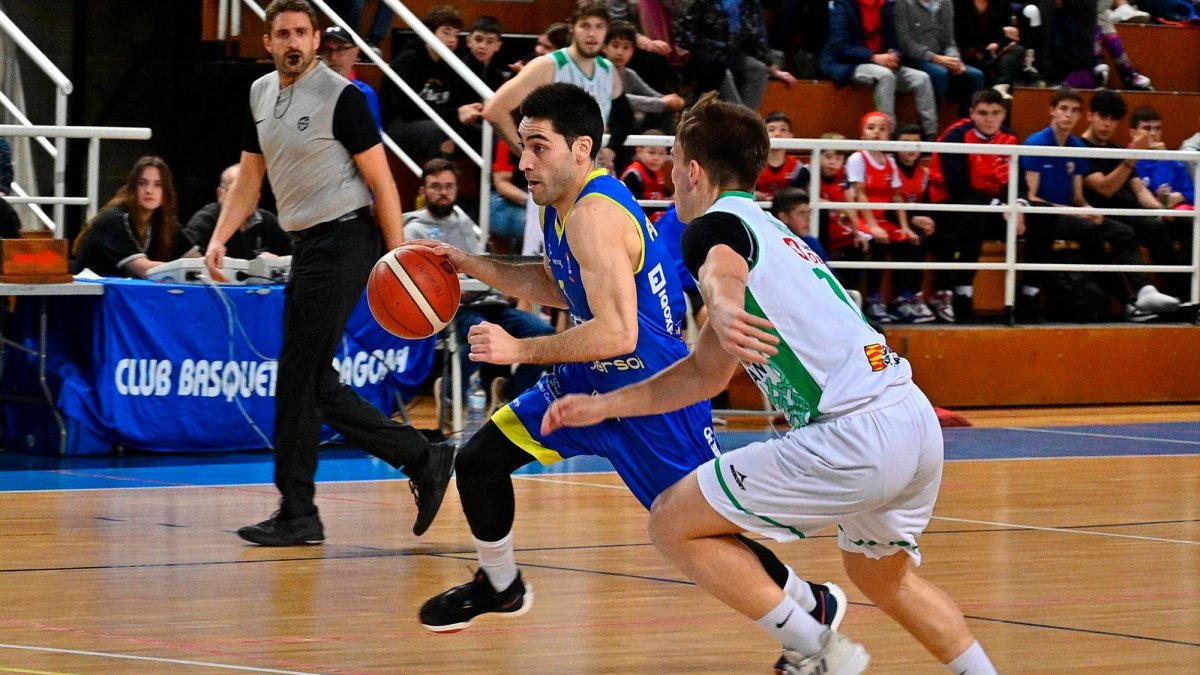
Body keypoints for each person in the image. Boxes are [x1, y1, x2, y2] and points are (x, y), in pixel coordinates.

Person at [542, 91, 999, 675]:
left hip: (853, 435)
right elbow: (702, 375)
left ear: (693, 170)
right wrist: (607, 405)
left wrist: (722, 302)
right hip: (912, 422)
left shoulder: (714, 227)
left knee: (671, 520)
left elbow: (721, 268)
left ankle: (818, 652)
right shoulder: (774, 231)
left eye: (675, 162)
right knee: (883, 578)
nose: (673, 178)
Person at [414, 83, 840, 641]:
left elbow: (617, 332)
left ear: (581, 149)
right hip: (587, 381)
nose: (524, 163)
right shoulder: (564, 204)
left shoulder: (594, 214)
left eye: (539, 147)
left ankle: (812, 603)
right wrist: (469, 262)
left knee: (702, 530)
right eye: (522, 146)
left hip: (654, 394)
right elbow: (562, 284)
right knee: (478, 463)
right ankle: (500, 586)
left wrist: (519, 350)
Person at [203, 0, 456, 546]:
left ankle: (300, 511)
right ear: (267, 42)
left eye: (302, 32)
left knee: (300, 377)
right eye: (283, 34)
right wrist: (219, 237)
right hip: (307, 247)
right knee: (312, 380)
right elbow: (250, 178)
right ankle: (421, 457)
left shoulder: (343, 96)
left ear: (316, 40)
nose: (293, 42)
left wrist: (396, 257)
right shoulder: (259, 94)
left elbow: (382, 183)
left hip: (346, 239)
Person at [403, 158, 556, 411]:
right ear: (423, 190)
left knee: (544, 333)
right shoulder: (414, 231)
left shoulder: (464, 222)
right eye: (436, 186)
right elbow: (421, 283)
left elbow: (481, 267)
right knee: (484, 335)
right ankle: (450, 389)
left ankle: (508, 393)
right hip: (455, 309)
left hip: (492, 302)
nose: (443, 193)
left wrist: (503, 287)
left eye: (449, 186)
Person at [484, 0, 633, 257]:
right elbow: (495, 110)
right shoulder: (548, 65)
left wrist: (613, 149)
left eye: (599, 26)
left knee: (594, 261)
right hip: (553, 181)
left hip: (591, 180)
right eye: (585, 25)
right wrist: (529, 153)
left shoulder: (608, 70)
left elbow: (625, 118)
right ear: (572, 28)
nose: (592, 33)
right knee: (546, 263)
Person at [1022, 86, 1179, 321]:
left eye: (1073, 110)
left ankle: (1149, 296)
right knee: (1090, 230)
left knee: (1124, 230)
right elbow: (1031, 197)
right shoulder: (1037, 142)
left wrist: (1087, 208)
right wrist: (1076, 212)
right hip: (1044, 213)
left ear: (1080, 114)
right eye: (1063, 108)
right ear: (1052, 110)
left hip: (1073, 213)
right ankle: (1126, 301)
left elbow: (1077, 196)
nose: (1068, 115)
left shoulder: (1076, 147)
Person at [926, 88, 1025, 323]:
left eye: (995, 113)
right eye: (983, 113)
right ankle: (963, 294)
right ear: (971, 113)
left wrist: (1018, 206)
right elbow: (958, 187)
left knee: (1043, 218)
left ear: (1004, 114)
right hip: (949, 207)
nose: (989, 119)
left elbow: (1019, 183)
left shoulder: (1010, 138)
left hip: (995, 208)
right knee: (974, 214)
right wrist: (999, 206)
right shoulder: (955, 136)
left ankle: (1030, 296)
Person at [1081, 91, 1189, 301]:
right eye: (1102, 117)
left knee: (1185, 223)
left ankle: (1190, 293)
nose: (1107, 124)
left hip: (1132, 210)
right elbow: (1104, 188)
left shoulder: (1116, 149)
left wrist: (1160, 209)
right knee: (1151, 227)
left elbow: (1139, 190)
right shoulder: (1080, 148)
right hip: (1107, 212)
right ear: (1090, 116)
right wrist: (1133, 156)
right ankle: (1176, 294)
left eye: (1113, 119)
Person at [847, 112, 932, 324]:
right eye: (871, 128)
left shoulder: (889, 162)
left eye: (882, 128)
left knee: (911, 242)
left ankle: (904, 298)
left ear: (888, 135)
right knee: (879, 243)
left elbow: (896, 196)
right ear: (863, 134)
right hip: (860, 218)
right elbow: (860, 194)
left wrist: (905, 227)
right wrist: (873, 227)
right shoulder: (858, 158)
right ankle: (873, 299)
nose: (876, 132)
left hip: (882, 220)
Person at [819, 0, 940, 140]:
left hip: (883, 61)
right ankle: (889, 134)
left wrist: (894, 54)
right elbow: (839, 47)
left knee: (921, 78)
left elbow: (896, 42)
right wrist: (873, 57)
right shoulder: (844, 6)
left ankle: (930, 134)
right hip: (850, 63)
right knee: (885, 75)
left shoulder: (888, 5)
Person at [379, 6, 483, 162]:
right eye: (446, 32)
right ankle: (436, 178)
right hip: (397, 123)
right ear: (428, 32)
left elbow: (461, 101)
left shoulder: (453, 62)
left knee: (483, 134)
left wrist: (472, 110)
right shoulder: (408, 60)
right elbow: (407, 110)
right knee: (438, 133)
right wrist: (455, 114)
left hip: (436, 120)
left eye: (455, 34)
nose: (452, 40)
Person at [72, 156, 197, 278]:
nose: (149, 190)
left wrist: (204, 265)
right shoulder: (114, 220)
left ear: (166, 191)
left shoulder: (165, 223)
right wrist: (185, 268)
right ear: (132, 188)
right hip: (90, 290)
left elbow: (197, 261)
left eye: (158, 184)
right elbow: (145, 270)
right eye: (142, 183)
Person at [672, 0, 797, 112]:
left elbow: (755, 37)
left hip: (730, 53)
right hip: (697, 52)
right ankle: (739, 119)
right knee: (721, 70)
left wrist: (773, 68)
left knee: (758, 69)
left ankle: (746, 119)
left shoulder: (749, 3)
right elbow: (684, 35)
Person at [894, 0, 987, 114]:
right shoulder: (903, 4)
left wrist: (954, 59)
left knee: (976, 75)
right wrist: (936, 58)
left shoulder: (946, 2)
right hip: (915, 57)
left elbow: (950, 41)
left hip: (943, 56)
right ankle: (932, 119)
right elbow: (905, 44)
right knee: (940, 74)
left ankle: (967, 120)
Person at [185, 163, 292, 260]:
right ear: (220, 194)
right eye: (237, 192)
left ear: (258, 196)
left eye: (251, 192)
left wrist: (276, 262)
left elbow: (292, 257)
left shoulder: (269, 221)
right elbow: (194, 266)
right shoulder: (204, 222)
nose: (244, 198)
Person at [603, 21, 686, 136]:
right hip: (606, 122)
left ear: (632, 51)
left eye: (626, 47)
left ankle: (659, 144)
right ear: (604, 47)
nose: (620, 52)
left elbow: (652, 94)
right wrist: (662, 102)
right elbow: (620, 100)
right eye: (615, 46)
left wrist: (673, 101)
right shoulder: (599, 71)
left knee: (668, 112)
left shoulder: (629, 74)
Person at [1131, 107, 1195, 211]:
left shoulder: (1173, 161)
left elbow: (1193, 192)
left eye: (1157, 128)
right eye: (1147, 128)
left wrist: (1181, 196)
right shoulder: (1125, 160)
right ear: (1133, 133)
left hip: (1177, 213)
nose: (1153, 133)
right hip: (1144, 214)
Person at [319, 25, 381, 126]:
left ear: (355, 52)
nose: (333, 57)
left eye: (340, 49)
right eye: (327, 50)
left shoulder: (364, 93)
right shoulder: (309, 90)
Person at [755, 111, 810, 202]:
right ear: (762, 134)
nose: (777, 134)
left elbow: (801, 198)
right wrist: (756, 195)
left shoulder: (798, 168)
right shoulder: (753, 165)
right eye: (771, 130)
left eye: (783, 130)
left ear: (790, 135)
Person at [620, 130, 671, 222]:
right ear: (639, 151)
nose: (656, 158)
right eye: (651, 152)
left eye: (661, 153)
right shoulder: (633, 174)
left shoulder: (659, 174)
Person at [462, 16, 511, 92]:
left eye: (490, 42)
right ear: (468, 41)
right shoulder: (458, 68)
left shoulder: (497, 76)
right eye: (478, 39)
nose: (482, 46)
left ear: (498, 46)